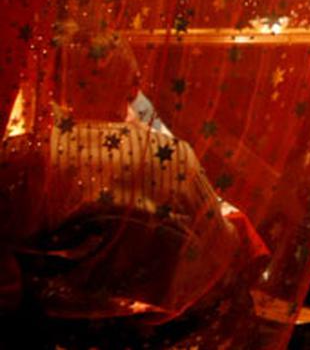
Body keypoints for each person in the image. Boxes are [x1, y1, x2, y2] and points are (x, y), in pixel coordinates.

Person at [0, 29, 268, 346]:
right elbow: (221, 249)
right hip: (154, 329)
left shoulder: (20, 157)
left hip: (50, 324)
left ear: (57, 90)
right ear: (134, 87)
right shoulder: (173, 157)